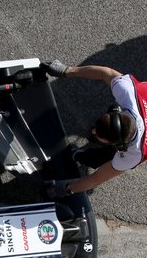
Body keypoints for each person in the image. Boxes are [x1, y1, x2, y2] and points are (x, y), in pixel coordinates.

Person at [42, 60, 147, 197]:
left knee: (105, 157)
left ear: (120, 146)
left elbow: (97, 178)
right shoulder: (128, 92)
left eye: (96, 133)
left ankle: (83, 156)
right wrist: (67, 70)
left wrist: (68, 189)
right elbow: (105, 73)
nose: (92, 131)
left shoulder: (134, 154)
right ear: (118, 112)